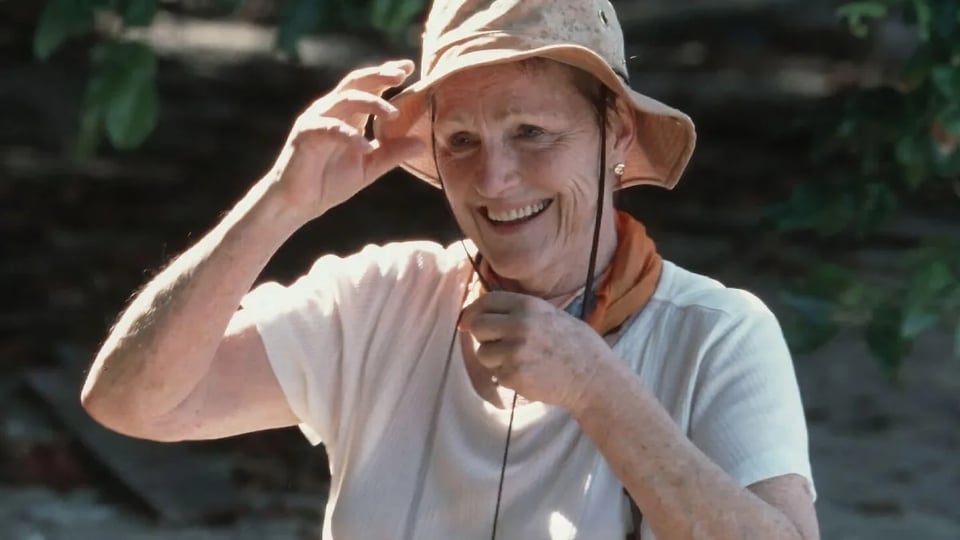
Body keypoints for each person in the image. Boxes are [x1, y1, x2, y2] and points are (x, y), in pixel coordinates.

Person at [80, 1, 820, 539]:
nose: (494, 180)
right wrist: (277, 206)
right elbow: (133, 404)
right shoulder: (380, 301)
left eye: (531, 133)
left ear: (616, 134)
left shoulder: (716, 334)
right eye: (461, 139)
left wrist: (597, 387)